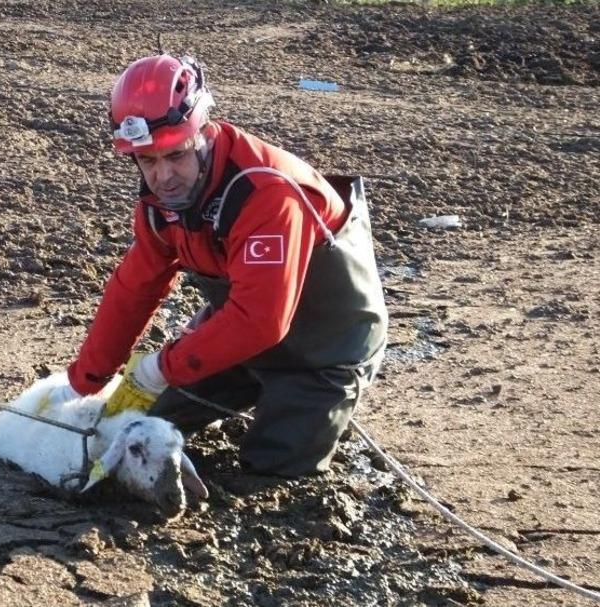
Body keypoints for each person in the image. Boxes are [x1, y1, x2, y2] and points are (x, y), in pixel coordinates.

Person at [43, 54, 388, 477]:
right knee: (146, 422)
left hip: (322, 355)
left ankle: (314, 417)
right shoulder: (160, 203)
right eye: (147, 161)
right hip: (239, 343)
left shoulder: (266, 192)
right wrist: (84, 381)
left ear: (204, 132)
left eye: (175, 155)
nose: (163, 176)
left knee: (269, 468)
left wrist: (157, 368)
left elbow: (261, 321)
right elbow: (135, 288)